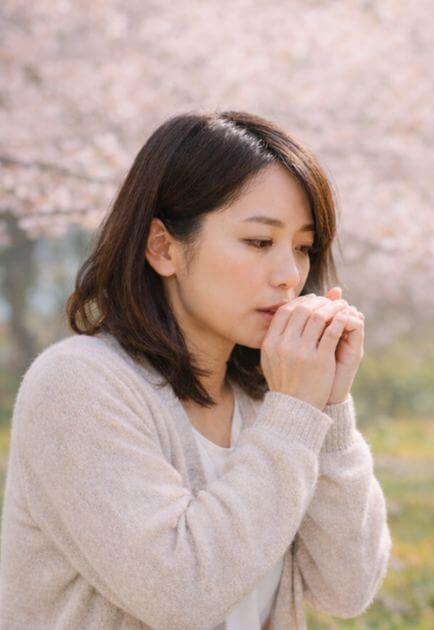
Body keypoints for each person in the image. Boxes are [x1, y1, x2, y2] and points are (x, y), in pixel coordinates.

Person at [0, 111, 391, 628]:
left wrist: (331, 410)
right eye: (258, 242)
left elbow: (348, 588)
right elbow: (178, 591)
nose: (289, 276)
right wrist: (295, 415)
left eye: (302, 247)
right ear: (163, 248)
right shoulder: (76, 385)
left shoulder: (265, 400)